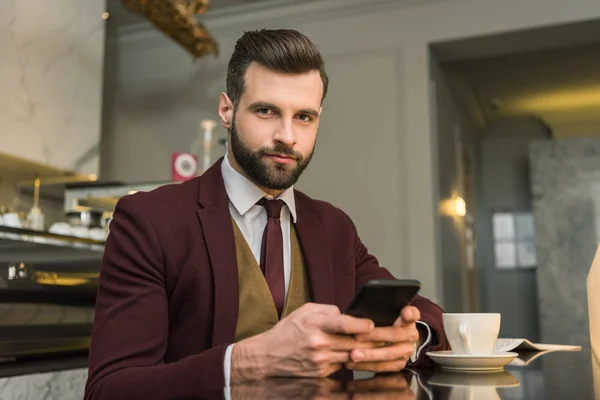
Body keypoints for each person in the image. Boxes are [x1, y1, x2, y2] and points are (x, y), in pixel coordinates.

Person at [84, 29, 449, 400]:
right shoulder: (148, 220)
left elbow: (424, 313)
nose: (287, 136)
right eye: (265, 111)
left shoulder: (334, 227)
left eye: (304, 117)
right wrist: (247, 363)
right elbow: (109, 390)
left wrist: (412, 336)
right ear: (226, 110)